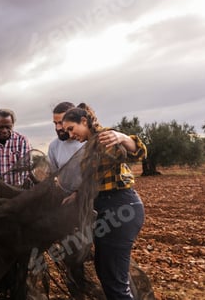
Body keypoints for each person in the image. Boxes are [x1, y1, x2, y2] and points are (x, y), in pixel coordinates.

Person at [62, 103, 147, 300]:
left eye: (71, 129)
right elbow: (94, 179)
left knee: (115, 282)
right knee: (105, 270)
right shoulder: (90, 145)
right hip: (106, 208)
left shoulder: (104, 136)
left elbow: (138, 152)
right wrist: (77, 194)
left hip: (121, 207)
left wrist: (123, 137)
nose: (69, 134)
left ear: (84, 121)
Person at [48, 101, 85, 172]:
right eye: (55, 123)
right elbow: (53, 176)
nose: (58, 128)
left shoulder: (88, 140)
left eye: (61, 123)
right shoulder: (53, 146)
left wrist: (113, 133)